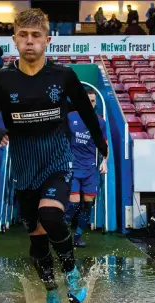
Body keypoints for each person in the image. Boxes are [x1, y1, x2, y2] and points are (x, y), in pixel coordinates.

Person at [0, 8, 108, 303]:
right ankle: (50, 292)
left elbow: (87, 114)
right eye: (23, 36)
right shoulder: (2, 80)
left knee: (52, 216)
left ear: (47, 40)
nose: (30, 42)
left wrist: (102, 145)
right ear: (14, 40)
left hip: (58, 159)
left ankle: (72, 273)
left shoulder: (63, 76)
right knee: (37, 243)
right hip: (24, 166)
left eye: (36, 36)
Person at [66, 90, 108, 247]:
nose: (91, 104)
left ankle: (77, 237)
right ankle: (61, 234)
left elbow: (105, 145)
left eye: (93, 101)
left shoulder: (100, 122)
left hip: (90, 169)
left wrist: (105, 161)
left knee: (88, 204)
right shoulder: (71, 117)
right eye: (88, 100)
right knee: (74, 202)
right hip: (73, 167)